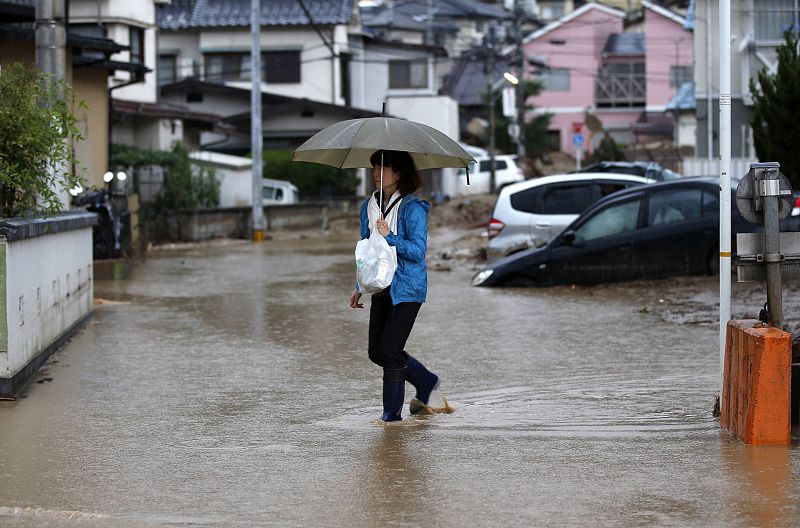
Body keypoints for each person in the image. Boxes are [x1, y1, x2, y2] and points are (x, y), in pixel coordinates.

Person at [348, 150, 442, 422]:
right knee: (376, 352)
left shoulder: (413, 208)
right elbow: (366, 251)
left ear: (399, 173)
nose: (376, 173)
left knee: (389, 351)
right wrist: (358, 286)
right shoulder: (369, 206)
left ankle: (390, 419)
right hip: (380, 286)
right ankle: (425, 381)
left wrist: (391, 236)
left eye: (384, 168)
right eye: (374, 167)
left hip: (408, 288)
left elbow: (417, 251)